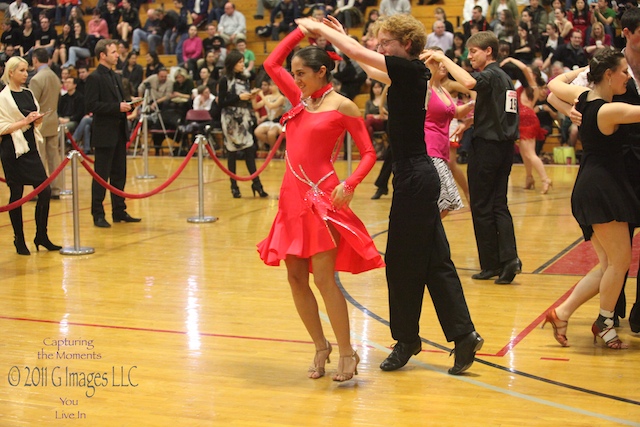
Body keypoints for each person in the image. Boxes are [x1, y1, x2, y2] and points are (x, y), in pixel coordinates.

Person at [297, 14, 483, 375]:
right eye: (379, 42)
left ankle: (408, 339)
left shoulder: (411, 70)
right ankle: (461, 336)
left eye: (386, 42)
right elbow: (365, 64)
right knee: (435, 262)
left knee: (400, 263)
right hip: (413, 177)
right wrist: (337, 37)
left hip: (416, 177)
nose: (380, 48)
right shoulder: (405, 74)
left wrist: (322, 31)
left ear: (406, 44)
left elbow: (361, 54)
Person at [258, 26, 384, 382]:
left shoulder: (343, 105)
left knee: (326, 279)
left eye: (302, 74)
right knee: (295, 276)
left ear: (321, 72)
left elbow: (369, 153)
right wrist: (302, 30)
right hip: (290, 199)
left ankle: (347, 351)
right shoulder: (298, 99)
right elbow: (270, 63)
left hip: (322, 197)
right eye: (294, 73)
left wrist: (351, 182)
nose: (296, 80)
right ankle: (320, 346)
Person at [545, 49, 640, 349]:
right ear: (609, 75)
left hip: (593, 184)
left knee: (608, 263)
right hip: (601, 189)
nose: (628, 76)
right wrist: (590, 67)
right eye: (624, 71)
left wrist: (585, 68)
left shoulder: (584, 96)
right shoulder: (608, 110)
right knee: (620, 261)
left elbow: (555, 84)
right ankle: (604, 323)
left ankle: (562, 313)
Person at [424, 31, 521, 285]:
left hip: (487, 149)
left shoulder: (489, 75)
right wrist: (470, 123)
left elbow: (468, 83)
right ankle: (509, 259)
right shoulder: (504, 78)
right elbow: (500, 112)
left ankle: (490, 264)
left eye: (474, 52)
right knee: (498, 203)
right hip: (504, 148)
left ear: (488, 51)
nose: (470, 56)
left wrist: (442, 58)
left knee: (480, 204)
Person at [0, 56, 61, 255]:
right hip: (13, 150)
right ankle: (19, 238)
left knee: (44, 191)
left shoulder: (28, 93)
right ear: (11, 73)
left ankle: (41, 235)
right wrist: (25, 121)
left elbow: (34, 118)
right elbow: (2, 127)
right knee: (16, 194)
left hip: (31, 147)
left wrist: (36, 120)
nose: (26, 74)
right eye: (22, 70)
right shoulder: (3, 97)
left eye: (27, 70)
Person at [85, 39, 141, 228]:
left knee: (119, 174)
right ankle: (98, 214)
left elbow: (120, 101)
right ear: (103, 55)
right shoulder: (94, 78)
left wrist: (131, 103)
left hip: (119, 132)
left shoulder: (116, 76)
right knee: (101, 176)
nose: (117, 55)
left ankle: (119, 210)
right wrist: (118, 106)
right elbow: (92, 105)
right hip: (104, 133)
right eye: (114, 52)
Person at [422, 47, 475, 218]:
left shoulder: (442, 89)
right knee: (444, 201)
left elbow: (456, 113)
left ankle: (426, 237)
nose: (443, 65)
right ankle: (425, 237)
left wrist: (473, 104)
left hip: (441, 147)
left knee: (444, 204)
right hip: (430, 148)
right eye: (437, 61)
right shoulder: (426, 87)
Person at [217, 50, 267, 198]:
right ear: (232, 64)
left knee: (249, 150)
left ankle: (256, 183)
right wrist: (239, 96)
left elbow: (243, 98)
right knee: (232, 152)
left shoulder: (245, 79)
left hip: (244, 117)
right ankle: (234, 186)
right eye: (239, 62)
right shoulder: (224, 79)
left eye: (242, 61)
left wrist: (251, 96)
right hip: (230, 119)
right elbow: (222, 102)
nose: (242, 64)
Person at [501, 56, 552, 193]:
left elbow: (523, 68)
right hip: (521, 121)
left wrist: (511, 59)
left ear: (533, 75)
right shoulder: (523, 86)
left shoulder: (533, 87)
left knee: (530, 153)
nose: (525, 73)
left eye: (529, 72)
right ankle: (529, 177)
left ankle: (545, 179)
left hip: (528, 121)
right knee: (524, 153)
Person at [29, 48, 62, 199]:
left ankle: (40, 189)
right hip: (53, 120)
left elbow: (32, 104)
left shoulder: (36, 79)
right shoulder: (55, 76)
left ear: (35, 59)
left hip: (40, 123)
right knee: (54, 156)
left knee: (40, 156)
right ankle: (55, 189)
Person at [251, 76, 284, 152]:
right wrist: (253, 97)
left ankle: (273, 149)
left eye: (272, 85)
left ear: (277, 86)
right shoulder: (268, 97)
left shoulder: (281, 98)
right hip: (269, 121)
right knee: (257, 132)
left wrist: (261, 95)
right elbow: (256, 106)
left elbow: (271, 106)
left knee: (271, 133)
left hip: (277, 121)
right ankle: (276, 147)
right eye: (270, 85)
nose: (270, 87)